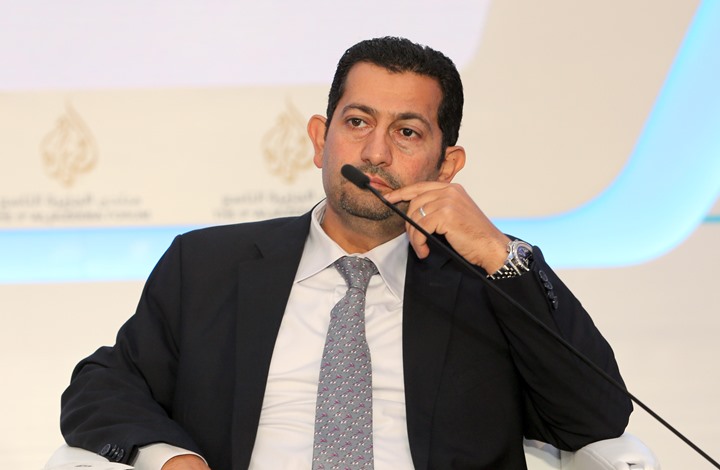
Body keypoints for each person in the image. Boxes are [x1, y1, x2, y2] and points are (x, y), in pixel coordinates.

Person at [60, 37, 632, 470]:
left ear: (447, 165)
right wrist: (169, 458)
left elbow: (595, 417)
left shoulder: (488, 283)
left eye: (407, 132)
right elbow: (100, 387)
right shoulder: (209, 265)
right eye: (357, 122)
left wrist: (499, 255)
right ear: (320, 139)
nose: (375, 152)